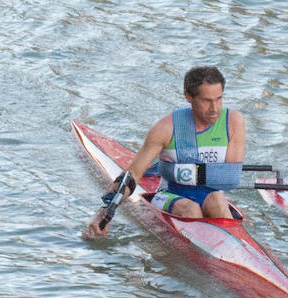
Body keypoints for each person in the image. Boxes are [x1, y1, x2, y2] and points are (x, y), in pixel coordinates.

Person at [83, 66, 246, 239]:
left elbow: (230, 178)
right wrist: (104, 214)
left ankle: (233, 248)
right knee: (192, 211)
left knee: (219, 202)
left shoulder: (233, 122)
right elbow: (133, 174)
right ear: (189, 97)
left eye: (219, 99)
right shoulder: (166, 128)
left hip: (210, 195)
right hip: (171, 194)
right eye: (207, 101)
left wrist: (178, 172)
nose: (215, 108)